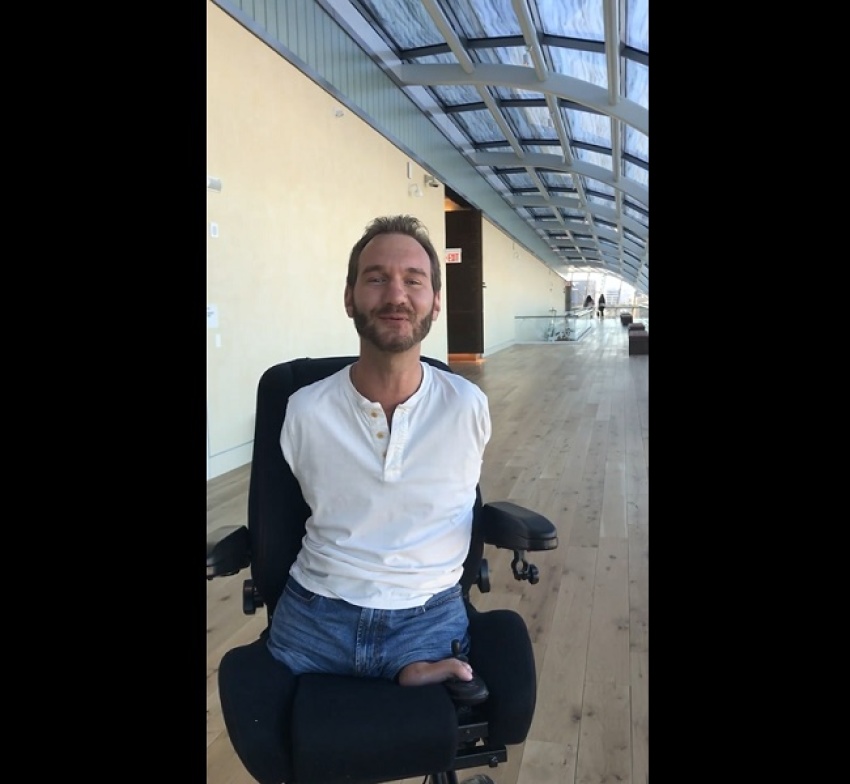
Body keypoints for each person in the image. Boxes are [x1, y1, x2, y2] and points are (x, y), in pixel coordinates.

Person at [267, 214, 491, 705]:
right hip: (314, 616)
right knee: (281, 725)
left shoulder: (466, 407)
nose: (396, 295)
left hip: (427, 618)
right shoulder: (305, 409)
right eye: (376, 279)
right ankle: (403, 674)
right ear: (349, 297)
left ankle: (408, 666)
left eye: (414, 280)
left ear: (436, 301)